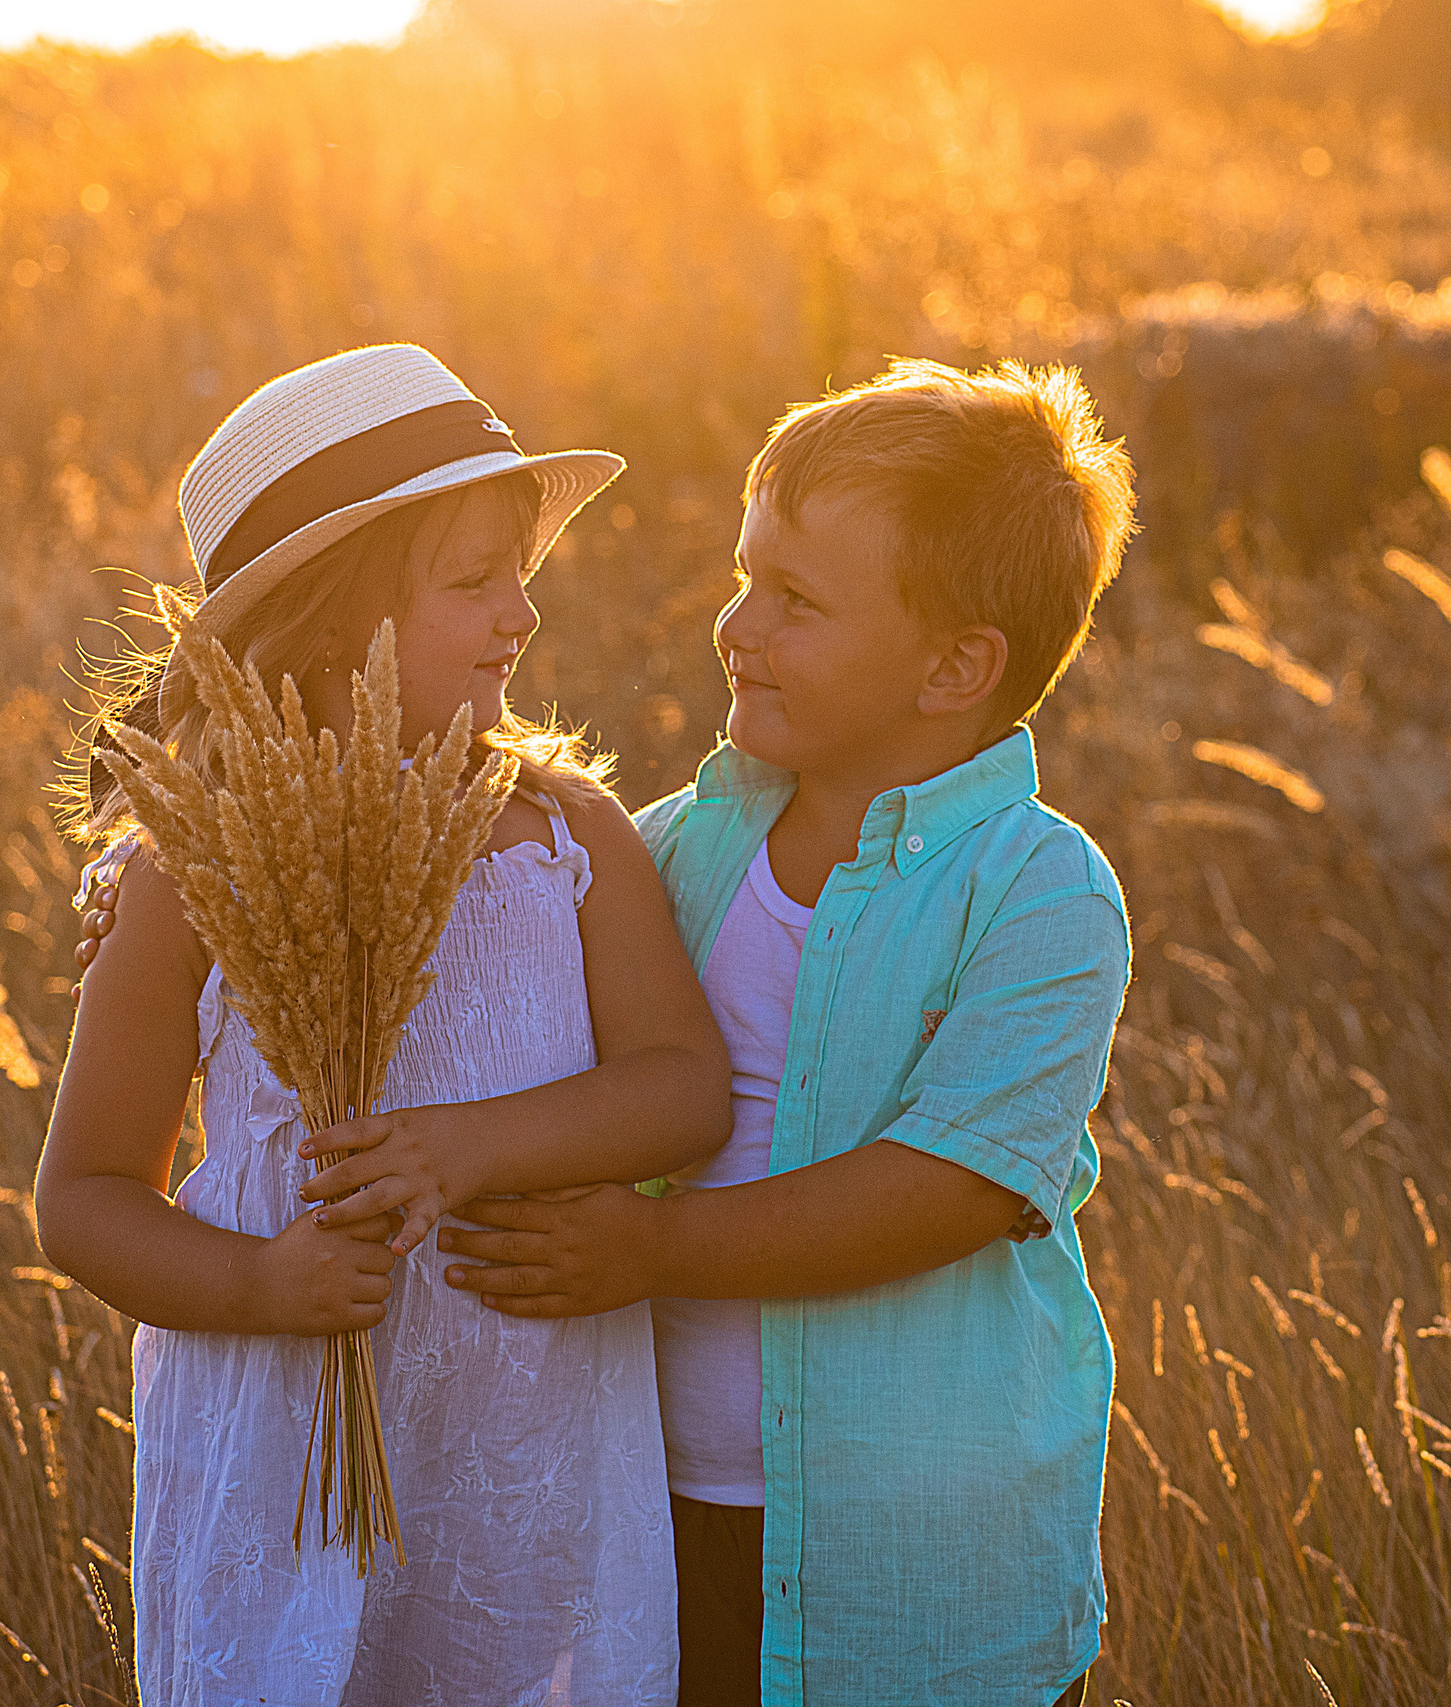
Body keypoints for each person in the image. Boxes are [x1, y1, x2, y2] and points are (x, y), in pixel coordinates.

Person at [435, 357, 1137, 1706]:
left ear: (955, 667)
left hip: (922, 1563)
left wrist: (651, 1247)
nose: (737, 629)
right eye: (746, 577)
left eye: (796, 601)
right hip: (654, 1509)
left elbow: (948, 1189)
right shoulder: (670, 854)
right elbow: (486, 985)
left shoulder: (1040, 892)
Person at [37, 344, 732, 1706]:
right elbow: (83, 1197)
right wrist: (252, 1287)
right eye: (474, 580)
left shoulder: (563, 834)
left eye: (521, 575)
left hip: (525, 1437)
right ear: (325, 621)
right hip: (295, 1440)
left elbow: (682, 1090)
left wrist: (460, 1151)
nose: (521, 615)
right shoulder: (193, 866)